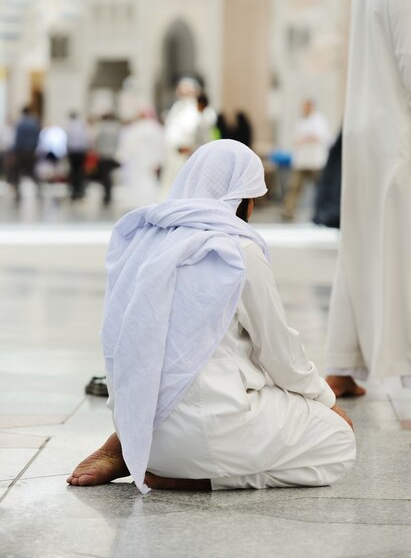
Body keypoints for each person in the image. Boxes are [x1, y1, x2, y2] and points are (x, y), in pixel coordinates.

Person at [67, 140, 355, 493]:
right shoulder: (237, 250)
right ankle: (206, 479)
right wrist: (326, 401)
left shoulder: (144, 242)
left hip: (142, 431)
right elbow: (281, 354)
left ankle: (131, 450)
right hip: (214, 431)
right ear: (242, 200)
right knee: (339, 442)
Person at [325, 0, 411, 398]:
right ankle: (397, 360)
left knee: (359, 246)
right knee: (400, 248)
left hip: (364, 135)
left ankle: (341, 364)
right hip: (399, 137)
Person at [282, 99, 331, 220]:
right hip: (301, 160)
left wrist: (305, 139)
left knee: (320, 187)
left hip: (315, 161)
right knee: (294, 186)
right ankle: (288, 210)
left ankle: (324, 210)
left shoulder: (319, 119)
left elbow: (320, 136)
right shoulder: (301, 120)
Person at [115, 105, 165, 210]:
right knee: (149, 181)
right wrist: (159, 160)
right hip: (150, 161)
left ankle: (139, 202)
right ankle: (150, 201)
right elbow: (162, 145)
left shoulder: (136, 128)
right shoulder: (156, 128)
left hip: (138, 161)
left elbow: (128, 145)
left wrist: (122, 156)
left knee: (138, 181)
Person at [161, 77, 201, 195]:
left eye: (187, 89)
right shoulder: (177, 107)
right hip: (172, 154)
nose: (183, 92)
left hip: (186, 153)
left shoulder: (197, 108)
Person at [10, 106, 40, 201]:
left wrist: (14, 151)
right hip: (31, 151)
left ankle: (18, 192)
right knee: (32, 171)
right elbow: (37, 138)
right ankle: (38, 190)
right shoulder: (34, 123)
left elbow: (17, 139)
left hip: (21, 151)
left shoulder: (20, 124)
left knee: (17, 172)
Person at [94, 113, 121, 206]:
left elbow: (97, 141)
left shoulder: (101, 129)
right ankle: (109, 195)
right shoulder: (116, 129)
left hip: (104, 155)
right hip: (112, 154)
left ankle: (107, 196)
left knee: (105, 177)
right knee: (110, 176)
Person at [65, 112, 90, 200]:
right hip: (81, 152)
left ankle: (74, 191)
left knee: (73, 172)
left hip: (72, 152)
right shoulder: (82, 125)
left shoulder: (69, 126)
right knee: (80, 171)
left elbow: (67, 140)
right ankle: (81, 191)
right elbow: (85, 139)